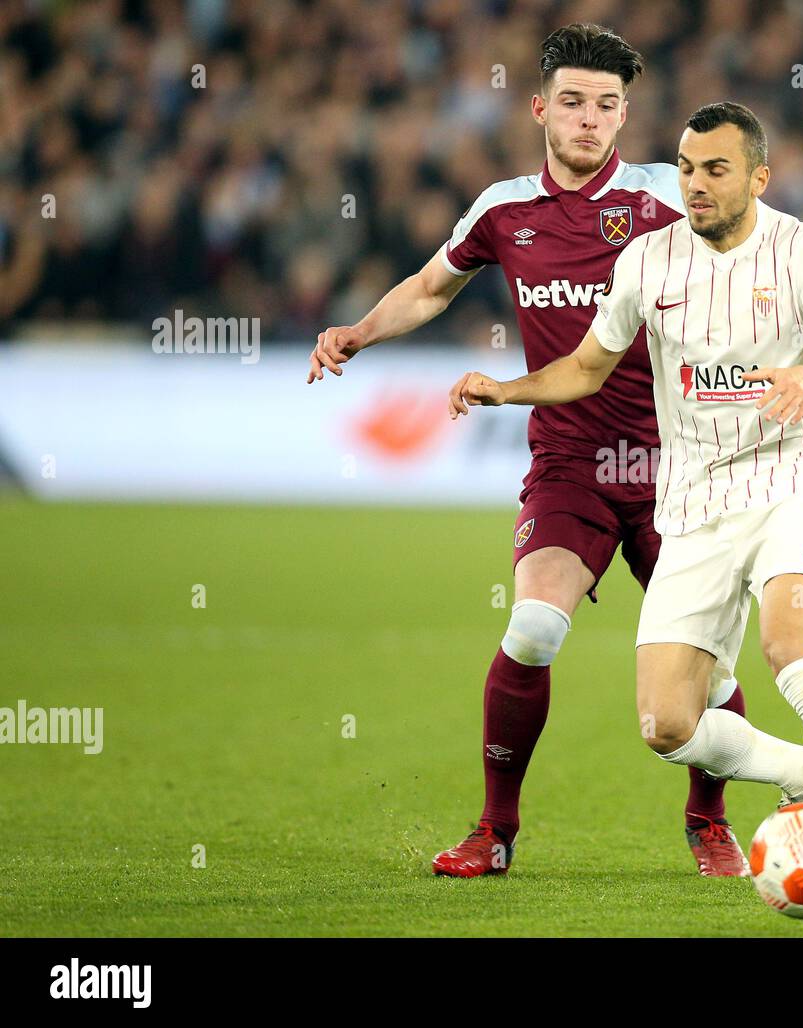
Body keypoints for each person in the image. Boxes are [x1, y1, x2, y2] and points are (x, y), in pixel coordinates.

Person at [308, 25, 758, 878]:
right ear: (541, 106)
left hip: (681, 465)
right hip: (569, 464)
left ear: (627, 115)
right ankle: (495, 830)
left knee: (705, 661)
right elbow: (433, 286)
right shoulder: (505, 209)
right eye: (577, 103)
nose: (592, 121)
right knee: (533, 626)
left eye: (610, 106)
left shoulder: (670, 194)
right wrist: (361, 332)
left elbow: (764, 250)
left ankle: (708, 820)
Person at [448, 102, 803, 901]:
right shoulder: (646, 260)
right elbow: (588, 367)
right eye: (687, 168)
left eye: (716, 170)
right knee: (667, 727)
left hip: (785, 487)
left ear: (758, 178)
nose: (695, 185)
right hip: (694, 504)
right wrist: (507, 389)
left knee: (790, 650)